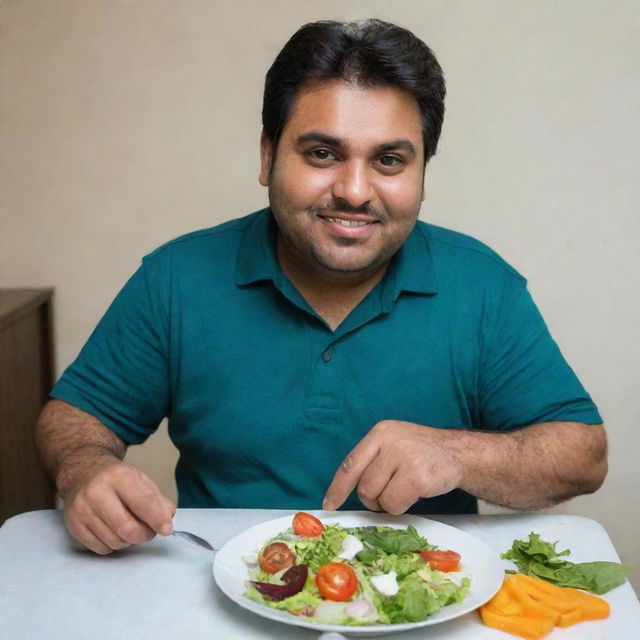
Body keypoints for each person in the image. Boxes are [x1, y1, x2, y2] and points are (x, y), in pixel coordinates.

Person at [35, 19, 607, 555]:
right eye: (322, 154)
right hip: (214, 586)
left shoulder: (484, 286)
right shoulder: (175, 277)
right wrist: (86, 470)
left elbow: (583, 455)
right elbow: (75, 417)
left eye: (388, 160)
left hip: (420, 597)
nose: (355, 191)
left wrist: (458, 455)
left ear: (423, 174)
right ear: (267, 155)